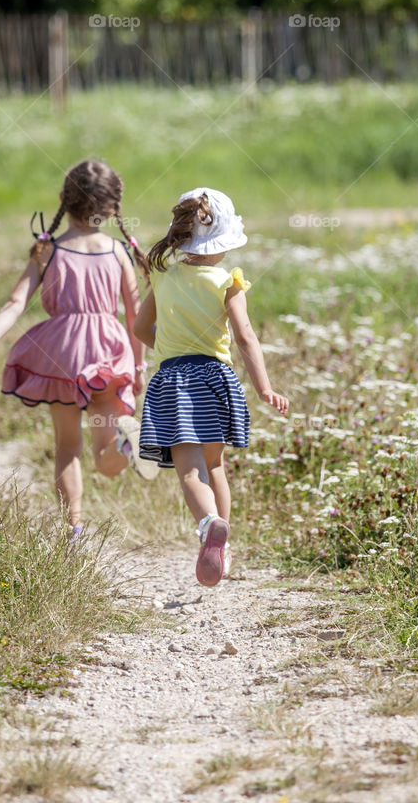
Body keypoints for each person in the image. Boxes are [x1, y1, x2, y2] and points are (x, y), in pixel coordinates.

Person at [0, 158, 157, 539]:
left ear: (63, 200)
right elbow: (136, 318)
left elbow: (15, 303)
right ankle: (126, 446)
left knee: (68, 446)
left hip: (61, 356)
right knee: (104, 459)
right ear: (114, 208)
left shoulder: (47, 250)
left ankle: (74, 530)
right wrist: (137, 367)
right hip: (107, 356)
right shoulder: (117, 253)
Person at [134, 187, 288, 586]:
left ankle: (207, 523)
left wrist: (167, 349)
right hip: (216, 379)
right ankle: (225, 540)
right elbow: (246, 338)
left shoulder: (161, 275)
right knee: (215, 464)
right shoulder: (227, 281)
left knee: (189, 472)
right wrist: (265, 388)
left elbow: (138, 328)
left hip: (174, 381)